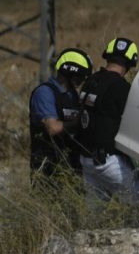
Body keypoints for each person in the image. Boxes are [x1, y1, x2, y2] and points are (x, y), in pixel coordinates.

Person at [77, 38, 139, 205]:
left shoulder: (91, 81)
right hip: (107, 163)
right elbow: (135, 121)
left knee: (94, 213)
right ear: (130, 63)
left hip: (86, 160)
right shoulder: (121, 87)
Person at [28, 48, 93, 184]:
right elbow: (53, 128)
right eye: (81, 76)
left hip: (71, 168)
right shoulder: (44, 93)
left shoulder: (73, 96)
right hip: (48, 170)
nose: (82, 80)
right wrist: (79, 122)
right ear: (71, 72)